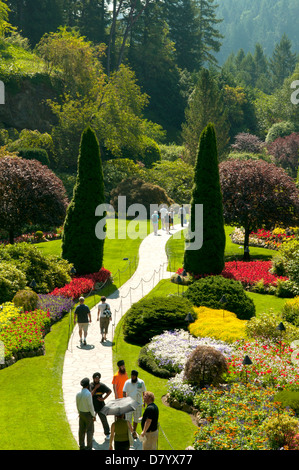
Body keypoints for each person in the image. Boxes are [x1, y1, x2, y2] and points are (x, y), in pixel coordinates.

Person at [123, 370, 146, 439]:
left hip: (138, 403)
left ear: (136, 376)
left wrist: (144, 402)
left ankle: (134, 431)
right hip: (129, 404)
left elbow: (144, 392)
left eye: (134, 376)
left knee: (136, 418)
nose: (132, 377)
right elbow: (124, 392)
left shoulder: (141, 382)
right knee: (128, 419)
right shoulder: (127, 382)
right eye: (131, 376)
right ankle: (132, 432)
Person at [76, 377, 96, 450]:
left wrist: (79, 412)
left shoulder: (78, 394)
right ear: (88, 385)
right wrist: (93, 415)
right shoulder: (88, 394)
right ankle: (89, 447)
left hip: (81, 413)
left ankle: (81, 445)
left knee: (81, 430)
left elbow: (77, 404)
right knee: (89, 431)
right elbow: (90, 406)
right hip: (88, 414)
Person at [90, 372, 112, 438]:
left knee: (104, 420)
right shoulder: (91, 385)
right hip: (92, 405)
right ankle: (91, 434)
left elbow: (109, 391)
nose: (97, 380)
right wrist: (95, 388)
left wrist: (103, 398)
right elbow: (91, 394)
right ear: (93, 379)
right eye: (95, 378)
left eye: (98, 379)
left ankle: (107, 433)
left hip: (101, 406)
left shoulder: (102, 385)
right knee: (91, 420)